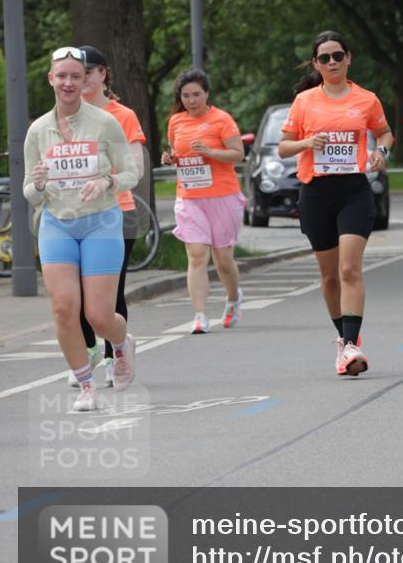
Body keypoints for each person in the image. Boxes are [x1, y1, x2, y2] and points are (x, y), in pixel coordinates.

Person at [23, 46, 139, 412]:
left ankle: (120, 344)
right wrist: (38, 183)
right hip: (57, 223)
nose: (69, 82)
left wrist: (107, 181)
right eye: (62, 76)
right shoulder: (38, 130)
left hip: (101, 222)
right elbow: (29, 190)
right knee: (63, 308)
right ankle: (86, 384)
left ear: (86, 79)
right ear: (51, 80)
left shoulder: (104, 122)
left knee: (98, 315)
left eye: (76, 75)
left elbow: (131, 172)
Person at [278, 30, 393, 377]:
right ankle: (343, 342)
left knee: (349, 269)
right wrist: (307, 142)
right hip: (316, 193)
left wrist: (381, 151)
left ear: (348, 58)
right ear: (316, 63)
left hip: (354, 192)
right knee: (329, 277)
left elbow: (386, 132)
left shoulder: (366, 99)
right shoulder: (305, 102)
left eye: (337, 56)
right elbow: (284, 147)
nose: (332, 62)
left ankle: (352, 343)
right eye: (324, 58)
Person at [67, 45, 147, 389]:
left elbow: (138, 168)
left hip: (117, 213)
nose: (81, 79)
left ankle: (118, 354)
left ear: (103, 74)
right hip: (73, 216)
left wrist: (105, 180)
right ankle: (88, 352)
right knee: (75, 297)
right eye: (75, 73)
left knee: (109, 295)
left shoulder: (122, 115)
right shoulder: (65, 116)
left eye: (88, 72)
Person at [161, 69, 246, 334]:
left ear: (207, 94)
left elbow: (238, 155)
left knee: (222, 260)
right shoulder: (176, 121)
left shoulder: (222, 119)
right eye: (185, 95)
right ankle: (199, 315)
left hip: (222, 196)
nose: (191, 100)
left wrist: (210, 151)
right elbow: (178, 152)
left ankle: (233, 300)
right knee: (197, 256)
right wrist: (171, 158)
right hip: (189, 197)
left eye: (196, 94)